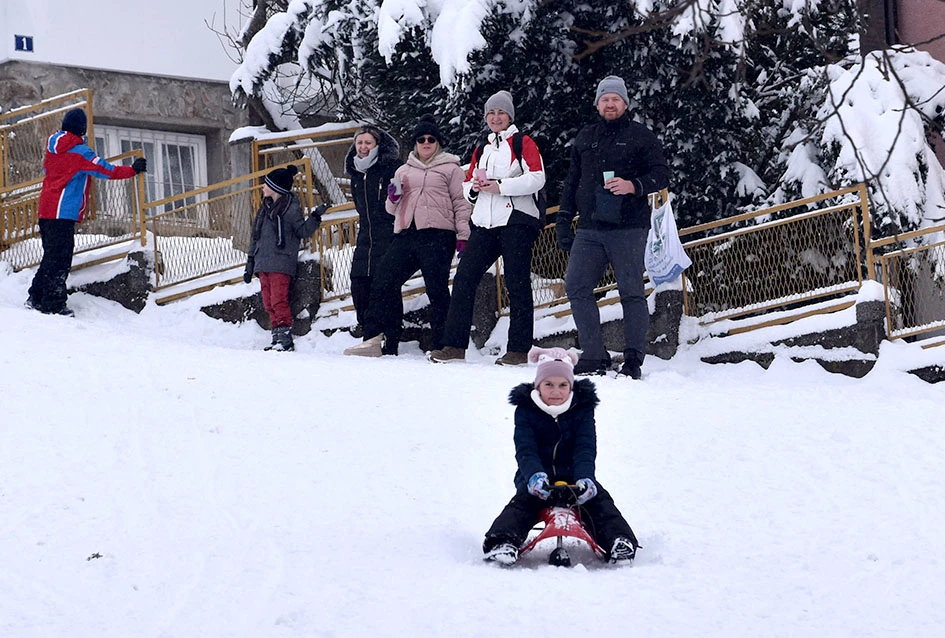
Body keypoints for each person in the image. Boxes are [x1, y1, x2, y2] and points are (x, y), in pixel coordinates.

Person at [556, 75, 671, 379]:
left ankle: (633, 359)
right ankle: (594, 355)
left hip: (629, 227)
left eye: (615, 99)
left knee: (631, 292)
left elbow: (661, 175)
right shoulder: (585, 137)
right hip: (590, 229)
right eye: (605, 99)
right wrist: (563, 219)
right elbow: (572, 181)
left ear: (625, 104)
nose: (610, 104)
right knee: (576, 286)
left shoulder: (641, 136)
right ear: (597, 104)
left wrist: (633, 185)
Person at [482, 346, 639, 565]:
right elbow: (526, 449)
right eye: (549, 384)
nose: (556, 391)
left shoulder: (582, 409)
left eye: (563, 385)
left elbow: (585, 447)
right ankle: (502, 541)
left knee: (600, 503)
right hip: (537, 478)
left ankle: (619, 540)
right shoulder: (527, 410)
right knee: (522, 505)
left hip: (575, 477)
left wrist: (585, 477)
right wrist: (534, 476)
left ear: (571, 386)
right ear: (538, 385)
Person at [428, 90, 545, 366]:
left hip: (515, 221)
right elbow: (467, 183)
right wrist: (474, 189)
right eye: (491, 113)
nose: (495, 117)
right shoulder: (482, 148)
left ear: (510, 116)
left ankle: (518, 349)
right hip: (484, 223)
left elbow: (537, 177)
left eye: (501, 112)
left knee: (517, 283)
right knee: (464, 278)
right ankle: (454, 345)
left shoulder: (522, 142)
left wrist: (500, 186)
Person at [344, 114, 471, 357]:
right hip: (407, 234)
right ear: (415, 143)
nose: (426, 143)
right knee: (383, 280)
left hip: (438, 234)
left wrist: (463, 235)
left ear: (438, 143)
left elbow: (460, 202)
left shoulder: (451, 168)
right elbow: (391, 208)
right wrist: (393, 197)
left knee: (436, 289)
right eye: (421, 139)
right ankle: (373, 338)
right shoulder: (404, 170)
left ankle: (444, 345)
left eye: (431, 139)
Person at [26, 108, 146, 316]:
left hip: (46, 210)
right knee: (61, 260)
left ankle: (36, 297)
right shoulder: (81, 153)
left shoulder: (52, 149)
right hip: (62, 213)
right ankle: (53, 304)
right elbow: (106, 170)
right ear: (82, 129)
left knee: (51, 257)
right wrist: (133, 169)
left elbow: (49, 171)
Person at [243, 165, 326, 351]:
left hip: (281, 262)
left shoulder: (290, 208)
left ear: (276, 188)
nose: (263, 187)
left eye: (266, 184)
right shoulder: (264, 210)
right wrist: (250, 263)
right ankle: (276, 336)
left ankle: (284, 338)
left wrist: (315, 217)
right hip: (263, 263)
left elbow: (302, 231)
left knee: (278, 300)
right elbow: (255, 238)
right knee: (268, 303)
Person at [344, 125, 401, 337]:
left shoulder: (391, 168)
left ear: (377, 145)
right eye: (359, 142)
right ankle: (369, 330)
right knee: (358, 283)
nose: (363, 147)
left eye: (368, 142)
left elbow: (400, 198)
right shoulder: (356, 173)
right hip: (365, 236)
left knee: (386, 285)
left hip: (388, 235)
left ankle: (390, 334)